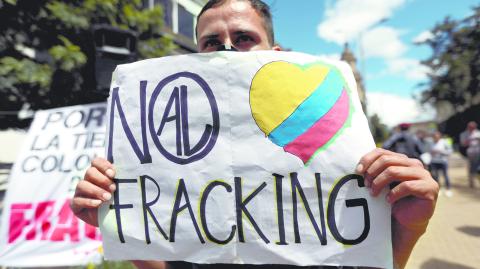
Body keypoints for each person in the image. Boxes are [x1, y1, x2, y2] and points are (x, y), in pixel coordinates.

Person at [71, 1, 439, 269]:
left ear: (274, 53)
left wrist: (412, 228)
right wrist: (118, 224)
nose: (228, 48)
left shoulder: (331, 139)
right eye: (212, 41)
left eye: (244, 37)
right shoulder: (169, 150)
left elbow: (362, 259)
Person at [429, 131, 453, 197]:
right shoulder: (431, 143)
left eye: (437, 136)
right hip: (434, 162)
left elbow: (450, 151)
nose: (435, 138)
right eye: (434, 137)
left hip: (443, 161)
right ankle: (438, 189)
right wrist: (431, 153)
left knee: (445, 176)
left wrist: (442, 152)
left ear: (439, 136)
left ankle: (448, 189)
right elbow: (428, 151)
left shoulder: (444, 142)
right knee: (436, 177)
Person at [460, 121, 480, 188]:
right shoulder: (464, 134)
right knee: (471, 168)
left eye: (473, 127)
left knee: (477, 168)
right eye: (471, 127)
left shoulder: (478, 133)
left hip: (478, 152)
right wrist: (470, 139)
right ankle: (471, 182)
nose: (472, 128)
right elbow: (463, 144)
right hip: (470, 153)